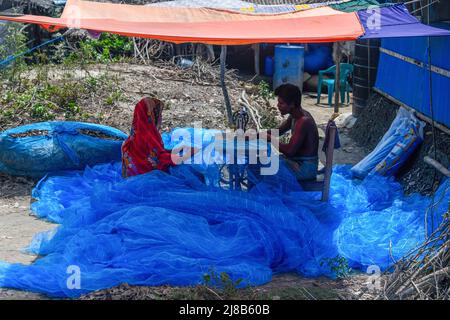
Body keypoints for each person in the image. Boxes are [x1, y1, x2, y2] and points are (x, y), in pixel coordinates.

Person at [121, 97, 195, 178]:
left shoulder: (134, 134)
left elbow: (151, 152)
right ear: (150, 114)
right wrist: (188, 154)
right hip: (146, 178)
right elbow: (160, 158)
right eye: (154, 112)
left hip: (130, 175)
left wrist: (175, 150)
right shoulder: (148, 136)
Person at [269, 84, 319, 181]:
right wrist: (255, 135)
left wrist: (271, 139)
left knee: (265, 169)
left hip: (305, 169)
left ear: (292, 104)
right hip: (297, 162)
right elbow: (278, 131)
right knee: (265, 163)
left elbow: (289, 151)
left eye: (281, 103)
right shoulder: (294, 115)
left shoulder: (303, 121)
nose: (278, 106)